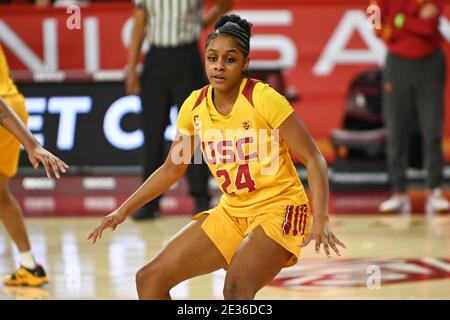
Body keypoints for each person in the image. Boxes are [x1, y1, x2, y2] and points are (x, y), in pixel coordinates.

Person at [88, 14, 346, 300]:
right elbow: (172, 169)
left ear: (245, 63)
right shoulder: (194, 106)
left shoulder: (263, 98)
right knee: (149, 280)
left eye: (230, 59)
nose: (219, 66)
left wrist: (321, 217)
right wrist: (122, 211)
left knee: (235, 290)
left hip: (280, 208)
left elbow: (314, 158)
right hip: (233, 210)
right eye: (212, 58)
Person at [126, 0, 233, 219]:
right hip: (156, 57)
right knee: (152, 130)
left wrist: (203, 22)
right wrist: (132, 68)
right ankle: (150, 202)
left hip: (187, 57)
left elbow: (226, 3)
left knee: (194, 129)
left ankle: (200, 196)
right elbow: (140, 24)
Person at [0, 46, 69, 287]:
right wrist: (31, 144)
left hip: (4, 111)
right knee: (0, 193)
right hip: (13, 107)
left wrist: (32, 145)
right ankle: (29, 265)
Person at [373, 0, 450, 214]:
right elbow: (376, 26)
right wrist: (410, 20)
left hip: (430, 63)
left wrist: (397, 20)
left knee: (432, 130)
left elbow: (428, 27)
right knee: (396, 131)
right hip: (397, 64)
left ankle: (434, 190)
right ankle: (398, 192)